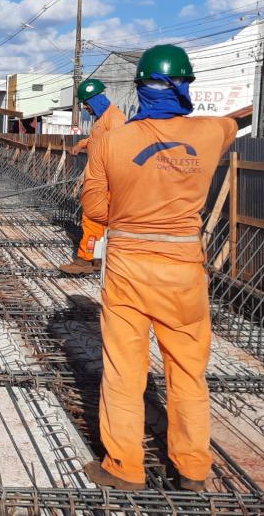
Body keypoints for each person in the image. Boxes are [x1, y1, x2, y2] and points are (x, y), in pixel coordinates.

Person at [81, 44, 237, 492]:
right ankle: (191, 466)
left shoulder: (110, 141)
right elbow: (230, 125)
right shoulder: (211, 133)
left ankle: (124, 466)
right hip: (184, 267)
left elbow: (95, 206)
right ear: (184, 86)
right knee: (188, 370)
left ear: (139, 90)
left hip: (130, 265)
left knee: (124, 368)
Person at [59, 78, 126, 275]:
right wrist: (83, 143)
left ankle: (85, 259)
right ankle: (98, 259)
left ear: (95, 100)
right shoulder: (102, 119)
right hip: (99, 179)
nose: (86, 108)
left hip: (105, 181)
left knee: (92, 217)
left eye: (87, 104)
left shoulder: (115, 119)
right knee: (101, 221)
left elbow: (119, 147)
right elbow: (99, 140)